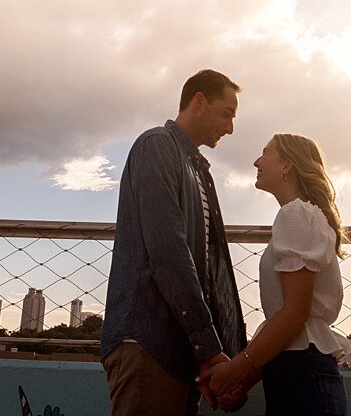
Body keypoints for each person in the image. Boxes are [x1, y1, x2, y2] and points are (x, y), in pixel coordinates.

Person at [100, 70, 248, 415]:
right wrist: (211, 350)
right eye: (227, 113)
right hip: (150, 345)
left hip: (182, 353)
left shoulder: (197, 168)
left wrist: (209, 353)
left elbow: (206, 272)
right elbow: (168, 253)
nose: (230, 128)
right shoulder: (157, 146)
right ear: (199, 101)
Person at [200, 133, 350, 415]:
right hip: (299, 373)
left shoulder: (295, 214)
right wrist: (245, 381)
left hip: (302, 378)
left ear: (287, 166)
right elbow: (288, 324)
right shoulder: (302, 215)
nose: (257, 160)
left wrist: (236, 369)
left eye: (266, 153)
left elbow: (295, 315)